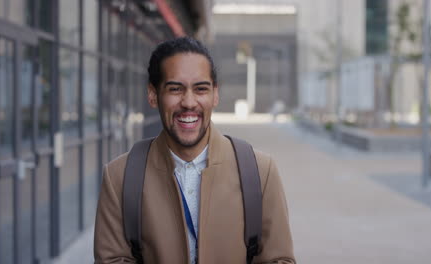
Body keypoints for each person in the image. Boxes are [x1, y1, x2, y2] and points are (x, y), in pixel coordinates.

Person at [94, 37, 295, 263]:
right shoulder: (118, 177)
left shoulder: (260, 171)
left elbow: (279, 259)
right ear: (153, 95)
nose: (189, 102)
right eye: (175, 89)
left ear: (215, 95)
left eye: (200, 89)